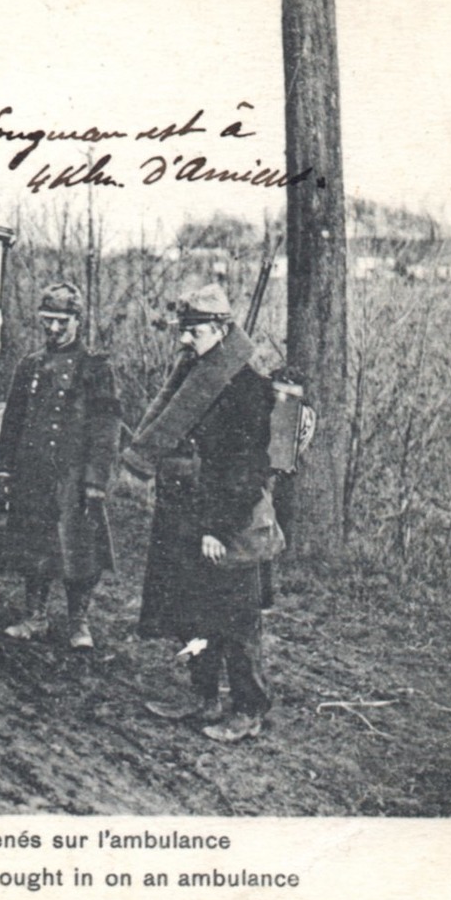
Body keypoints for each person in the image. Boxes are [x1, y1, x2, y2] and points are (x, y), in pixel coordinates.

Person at [123, 283, 275, 744]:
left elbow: (248, 470)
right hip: (189, 516)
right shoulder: (198, 372)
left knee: (237, 620)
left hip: (232, 522)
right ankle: (203, 696)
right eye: (183, 331)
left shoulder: (246, 385)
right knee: (195, 612)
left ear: (223, 329)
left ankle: (249, 709)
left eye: (195, 331)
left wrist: (218, 528)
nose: (185, 341)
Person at [0, 282, 121, 649]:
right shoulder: (28, 366)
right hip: (33, 474)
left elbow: (106, 427)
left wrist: (96, 479)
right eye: (46, 320)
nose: (52, 329)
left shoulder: (96, 368)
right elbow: (12, 423)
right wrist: (4, 468)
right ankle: (34, 617)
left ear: (77, 321)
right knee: (34, 547)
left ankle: (79, 623)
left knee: (79, 550)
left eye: (61, 322)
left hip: (75, 479)